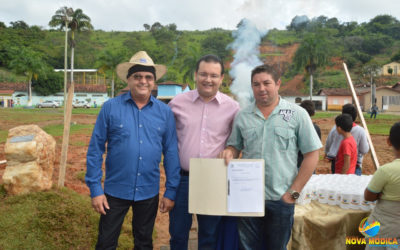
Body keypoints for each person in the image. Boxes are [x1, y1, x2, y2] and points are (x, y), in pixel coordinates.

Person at [85, 51, 181, 250]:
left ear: (154, 82)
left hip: (148, 191)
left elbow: (171, 152)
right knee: (105, 242)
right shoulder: (110, 108)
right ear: (128, 80)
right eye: (137, 76)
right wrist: (95, 189)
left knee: (144, 242)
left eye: (148, 77)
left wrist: (171, 190)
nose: (143, 81)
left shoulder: (165, 112)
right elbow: (95, 149)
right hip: (114, 191)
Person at [220, 64, 321, 250]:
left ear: (278, 84)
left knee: (277, 247)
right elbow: (234, 146)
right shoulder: (243, 116)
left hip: (281, 198)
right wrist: (230, 152)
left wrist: (294, 192)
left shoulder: (297, 114)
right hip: (248, 196)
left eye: (267, 83)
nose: (262, 88)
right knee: (247, 247)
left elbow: (312, 154)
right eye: (256, 84)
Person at [168, 54, 240, 250]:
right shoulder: (177, 104)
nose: (208, 79)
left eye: (214, 75)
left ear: (221, 79)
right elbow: (166, 139)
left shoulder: (233, 108)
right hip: (182, 180)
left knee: (209, 236)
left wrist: (231, 149)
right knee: (178, 234)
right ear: (195, 75)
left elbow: (237, 142)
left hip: (213, 178)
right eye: (203, 74)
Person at [364, 122, 400, 249]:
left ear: (389, 141)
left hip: (385, 230)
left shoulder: (386, 171)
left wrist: (381, 194)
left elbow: (368, 196)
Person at [325, 104, 369, 175]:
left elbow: (328, 143)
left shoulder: (336, 130)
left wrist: (327, 153)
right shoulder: (360, 131)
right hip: (355, 165)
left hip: (341, 167)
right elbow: (364, 150)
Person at [298, 100, 321, 168]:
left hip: (297, 163)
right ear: (313, 113)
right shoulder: (316, 128)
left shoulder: (295, 127)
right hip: (310, 165)